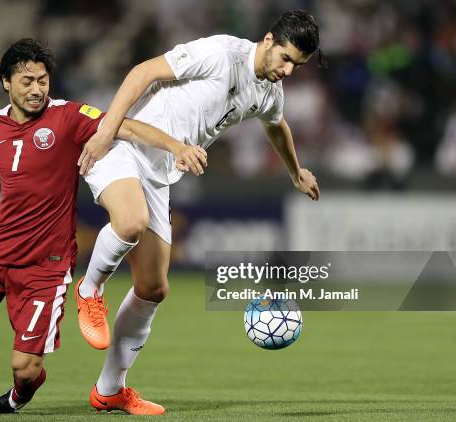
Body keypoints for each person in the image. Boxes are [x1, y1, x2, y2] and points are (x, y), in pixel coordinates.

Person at [0, 38, 206, 414]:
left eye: (42, 80)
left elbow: (127, 128)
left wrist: (174, 146)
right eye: (27, 81)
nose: (37, 89)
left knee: (25, 370)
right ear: (6, 82)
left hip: (46, 266)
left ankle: (14, 398)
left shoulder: (69, 116)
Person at [74, 10, 323, 415]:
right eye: (286, 58)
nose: (289, 70)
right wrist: (105, 131)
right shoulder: (220, 53)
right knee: (131, 221)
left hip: (159, 174)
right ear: (268, 40)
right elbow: (143, 73)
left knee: (154, 289)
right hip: (125, 146)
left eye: (297, 65)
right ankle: (89, 289)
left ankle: (109, 390)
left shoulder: (268, 93)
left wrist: (295, 173)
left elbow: (277, 125)